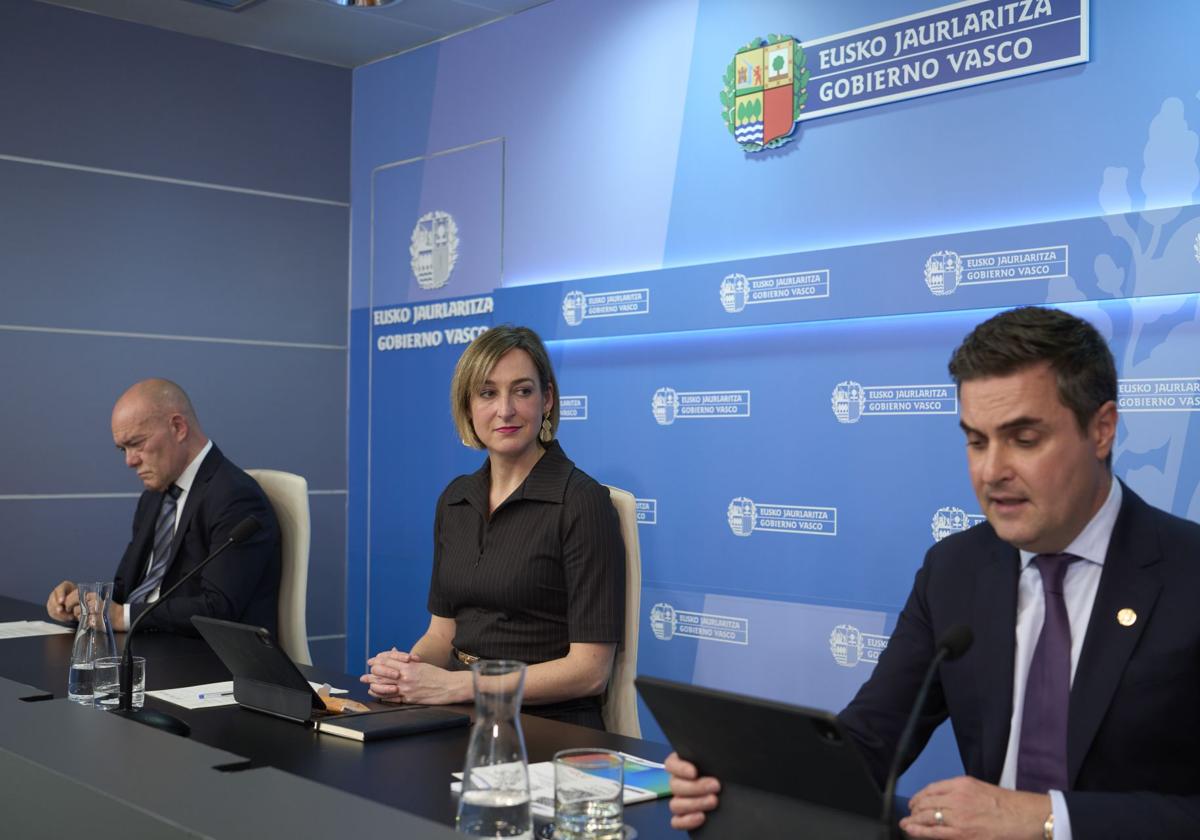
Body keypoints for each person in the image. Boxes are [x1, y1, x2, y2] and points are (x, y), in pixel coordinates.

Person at [666, 306, 1200, 838]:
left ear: (1101, 430)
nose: (992, 471)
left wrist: (1046, 820)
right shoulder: (955, 569)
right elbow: (873, 740)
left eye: (1025, 439)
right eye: (976, 440)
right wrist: (743, 781)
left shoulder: (1186, 572)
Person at [360, 325, 625, 729]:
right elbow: (441, 634)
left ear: (547, 399)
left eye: (522, 391)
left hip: (545, 723)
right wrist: (407, 673)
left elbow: (589, 671)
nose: (505, 410)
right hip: (460, 712)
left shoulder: (581, 502)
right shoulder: (456, 499)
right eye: (487, 393)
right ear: (468, 406)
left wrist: (457, 685)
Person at [46, 379, 281, 635]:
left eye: (137, 443)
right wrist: (84, 603)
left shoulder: (235, 496)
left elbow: (218, 608)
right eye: (122, 449)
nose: (129, 461)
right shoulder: (154, 496)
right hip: (144, 644)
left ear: (178, 427)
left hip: (198, 657)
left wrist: (121, 616)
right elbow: (126, 589)